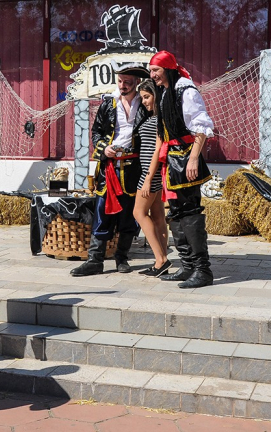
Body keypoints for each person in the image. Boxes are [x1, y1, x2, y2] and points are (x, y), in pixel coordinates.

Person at [70, 61, 148, 277]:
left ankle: (122, 258)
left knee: (128, 215)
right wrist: (105, 149)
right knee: (102, 213)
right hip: (109, 168)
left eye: (127, 82)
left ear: (136, 82)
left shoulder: (145, 103)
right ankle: (94, 260)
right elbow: (96, 132)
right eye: (120, 81)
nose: (123, 85)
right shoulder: (108, 104)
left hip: (134, 169)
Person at [149, 50, 214, 288]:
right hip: (172, 159)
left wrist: (194, 158)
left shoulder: (185, 90)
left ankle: (202, 271)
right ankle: (187, 266)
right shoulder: (166, 91)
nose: (152, 75)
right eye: (151, 71)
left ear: (168, 69)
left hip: (185, 157)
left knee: (190, 211)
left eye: (156, 70)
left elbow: (201, 126)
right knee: (176, 212)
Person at [133, 79, 171, 277]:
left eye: (147, 97)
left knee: (138, 213)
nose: (144, 102)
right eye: (142, 98)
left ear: (156, 95)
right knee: (157, 216)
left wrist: (148, 178)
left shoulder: (160, 118)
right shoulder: (156, 116)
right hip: (153, 171)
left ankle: (161, 259)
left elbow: (158, 149)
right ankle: (162, 260)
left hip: (150, 172)